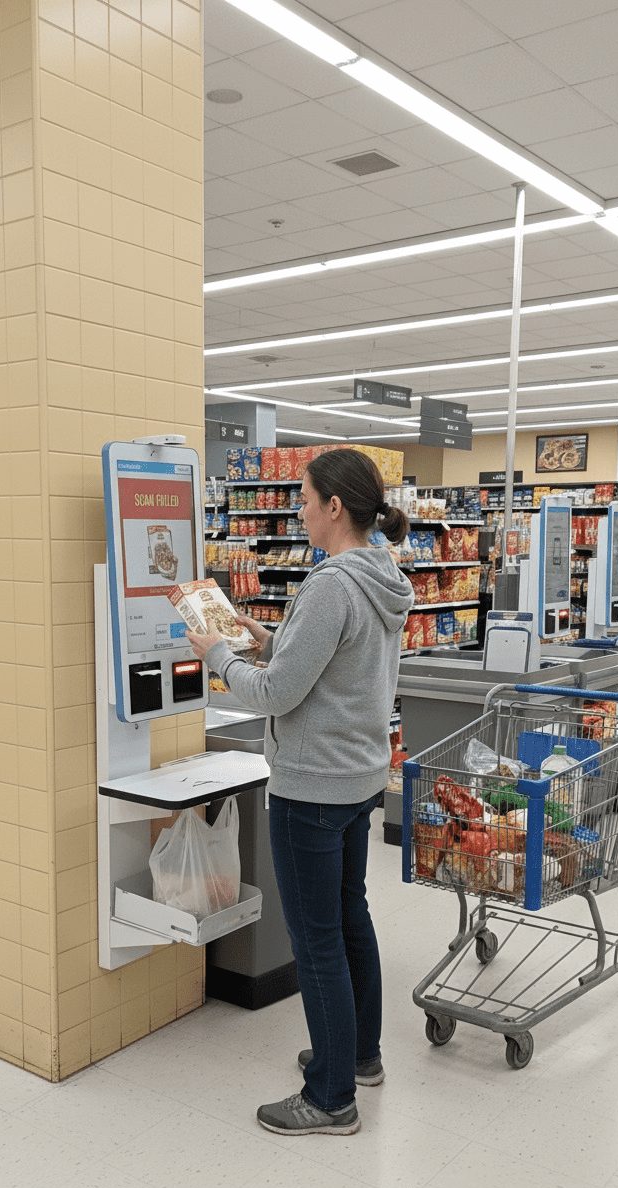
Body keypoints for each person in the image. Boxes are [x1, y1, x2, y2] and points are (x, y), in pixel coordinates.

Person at [186, 448, 411, 1135]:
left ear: (335, 507)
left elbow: (276, 696)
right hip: (358, 778)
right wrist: (270, 634)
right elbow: (340, 658)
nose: (303, 511)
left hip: (310, 786)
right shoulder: (381, 573)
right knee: (349, 919)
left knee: (315, 941)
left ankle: (330, 1096)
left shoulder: (331, 584)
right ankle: (359, 1055)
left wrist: (218, 655)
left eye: (307, 500)